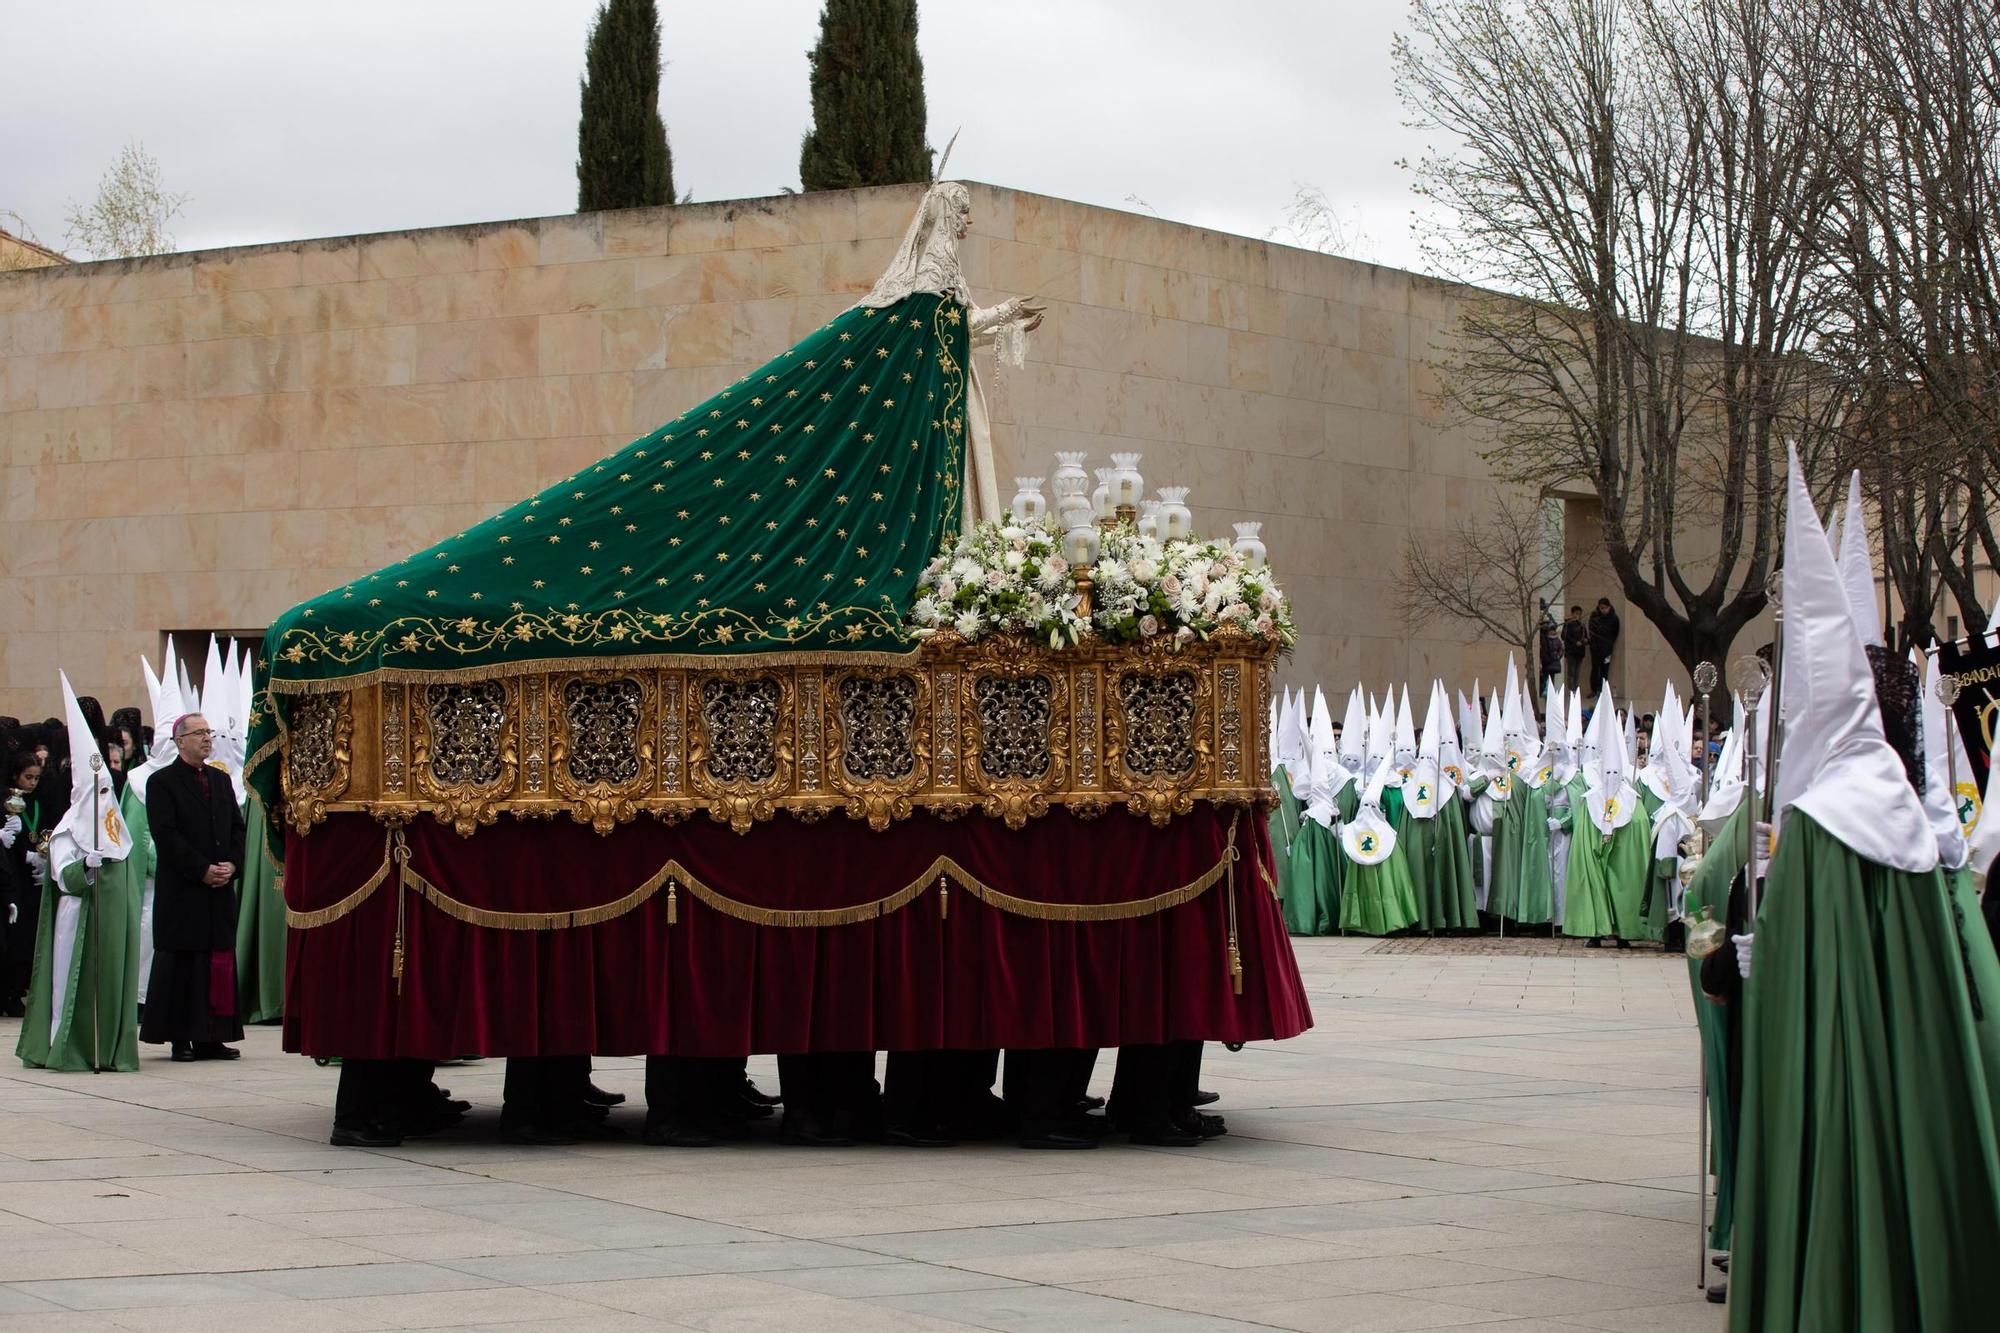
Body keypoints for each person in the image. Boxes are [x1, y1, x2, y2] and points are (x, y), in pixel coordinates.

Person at [139, 713, 246, 1061]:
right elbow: (166, 835)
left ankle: (212, 1036)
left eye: (208, 732)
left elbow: (236, 828)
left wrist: (232, 863)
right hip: (184, 888)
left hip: (218, 888)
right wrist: (201, 869)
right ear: (179, 740)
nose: (206, 738)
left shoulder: (219, 779)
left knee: (216, 962)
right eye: (198, 733)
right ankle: (180, 1037)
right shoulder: (162, 783)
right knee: (184, 963)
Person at [1, 746, 51, 1018]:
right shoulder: (8, 801)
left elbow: (44, 828)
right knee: (15, 933)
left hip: (34, 875)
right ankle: (9, 991)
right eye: (27, 777)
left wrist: (44, 855)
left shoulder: (39, 802)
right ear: (15, 776)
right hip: (14, 873)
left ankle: (23, 987)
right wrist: (22, 852)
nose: (31, 783)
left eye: (36, 778)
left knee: (31, 930)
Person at [1588, 598, 1620, 695]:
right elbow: (1591, 630)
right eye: (1601, 608)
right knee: (1595, 668)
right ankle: (1594, 690)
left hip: (1607, 648)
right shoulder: (1594, 617)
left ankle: (1603, 690)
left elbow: (1615, 632)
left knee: (1604, 670)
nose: (1604, 610)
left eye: (1605, 608)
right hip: (1595, 647)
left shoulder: (1613, 618)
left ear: (1609, 607)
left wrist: (1609, 642)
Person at [1562, 606, 1588, 690]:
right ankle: (1571, 689)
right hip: (1571, 652)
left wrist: (1584, 641)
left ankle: (1576, 689)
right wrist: (1575, 642)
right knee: (1571, 672)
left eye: (1579, 614)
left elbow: (1586, 637)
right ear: (1572, 614)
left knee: (1577, 672)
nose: (1578, 616)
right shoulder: (1568, 624)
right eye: (1576, 614)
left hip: (1580, 652)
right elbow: (1564, 636)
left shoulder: (1582, 625)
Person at [1538, 614, 1563, 691]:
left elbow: (1561, 649)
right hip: (1546, 661)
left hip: (1552, 662)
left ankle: (1549, 692)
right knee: (1544, 678)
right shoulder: (1543, 636)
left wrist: (1558, 656)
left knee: (1551, 679)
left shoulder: (1556, 640)